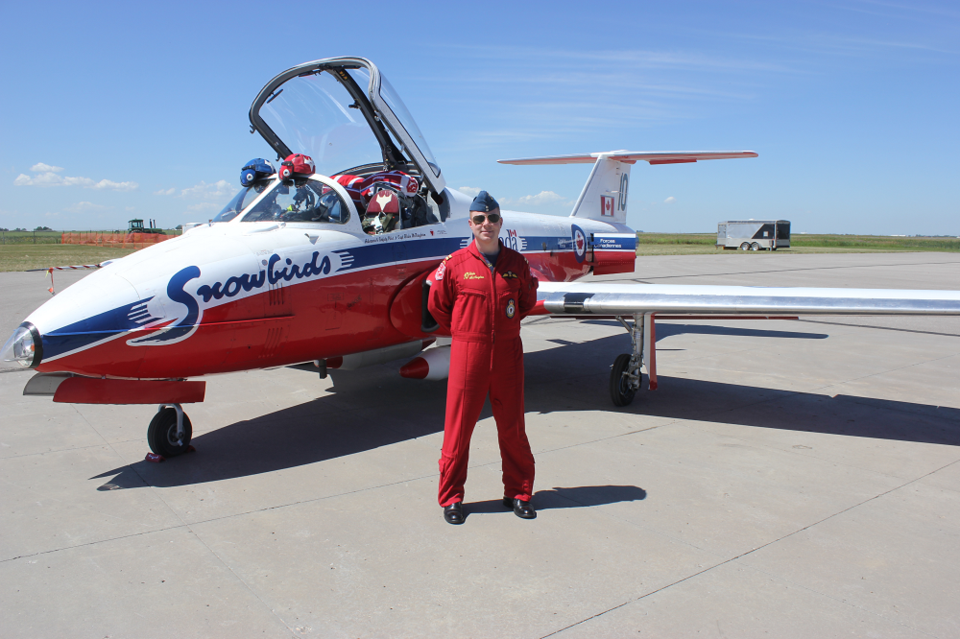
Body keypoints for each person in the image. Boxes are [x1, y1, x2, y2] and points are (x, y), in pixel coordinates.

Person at [428, 191, 539, 525]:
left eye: (492, 218)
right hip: (468, 353)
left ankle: (518, 493)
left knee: (513, 428)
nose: (486, 224)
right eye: (480, 219)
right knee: (458, 430)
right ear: (471, 224)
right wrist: (466, 332)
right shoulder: (455, 265)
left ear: (501, 223)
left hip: (507, 353)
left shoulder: (517, 265)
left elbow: (525, 303)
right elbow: (438, 306)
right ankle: (451, 498)